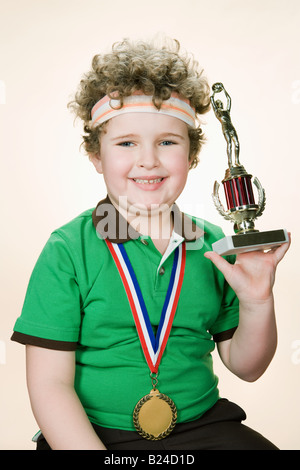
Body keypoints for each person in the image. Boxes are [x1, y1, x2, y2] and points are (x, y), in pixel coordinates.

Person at [11, 38, 290, 450]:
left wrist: (257, 302)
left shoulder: (215, 244)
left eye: (167, 142)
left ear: (191, 155)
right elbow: (50, 386)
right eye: (126, 143)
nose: (148, 160)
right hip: (93, 435)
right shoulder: (68, 250)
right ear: (95, 155)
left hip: (201, 425)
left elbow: (247, 367)